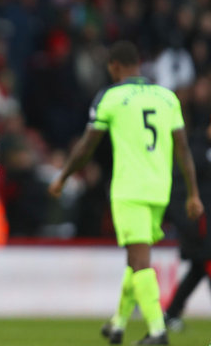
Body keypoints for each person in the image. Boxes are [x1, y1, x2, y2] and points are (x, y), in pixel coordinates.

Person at [48, 41, 204, 345]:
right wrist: (193, 193)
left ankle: (158, 332)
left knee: (141, 262)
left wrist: (64, 176)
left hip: (130, 189)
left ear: (114, 67)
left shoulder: (111, 96)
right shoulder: (166, 97)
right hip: (161, 189)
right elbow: (183, 149)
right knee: (136, 260)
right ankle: (118, 324)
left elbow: (87, 145)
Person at [162, 115, 211, 331]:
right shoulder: (196, 152)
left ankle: (171, 313)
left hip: (204, 222)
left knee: (198, 268)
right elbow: (179, 190)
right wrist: (184, 220)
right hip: (198, 222)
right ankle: (171, 313)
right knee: (206, 264)